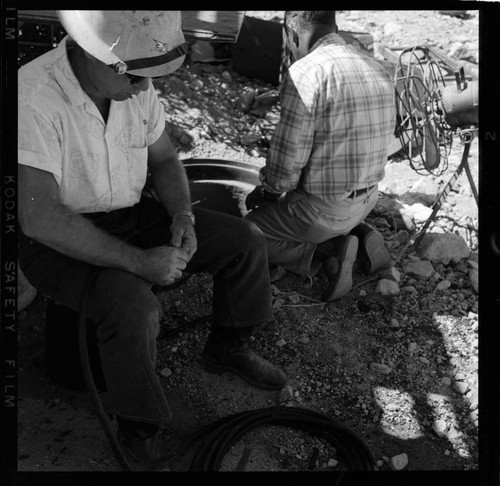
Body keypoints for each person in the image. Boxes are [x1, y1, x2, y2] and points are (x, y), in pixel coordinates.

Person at [18, 10, 286, 471]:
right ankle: (139, 429)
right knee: (134, 305)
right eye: (137, 77)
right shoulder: (32, 95)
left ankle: (229, 347)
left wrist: (182, 213)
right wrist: (140, 263)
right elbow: (39, 217)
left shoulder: (130, 80)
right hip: (55, 238)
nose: (145, 87)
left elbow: (163, 160)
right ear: (92, 54)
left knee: (244, 239)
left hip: (127, 213)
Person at [245, 11, 394, 301]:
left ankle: (323, 252)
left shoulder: (306, 73)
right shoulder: (377, 68)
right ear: (335, 28)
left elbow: (284, 173)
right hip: (368, 199)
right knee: (321, 205)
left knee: (245, 232)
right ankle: (359, 234)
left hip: (323, 214)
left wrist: (264, 195)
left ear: (292, 35)